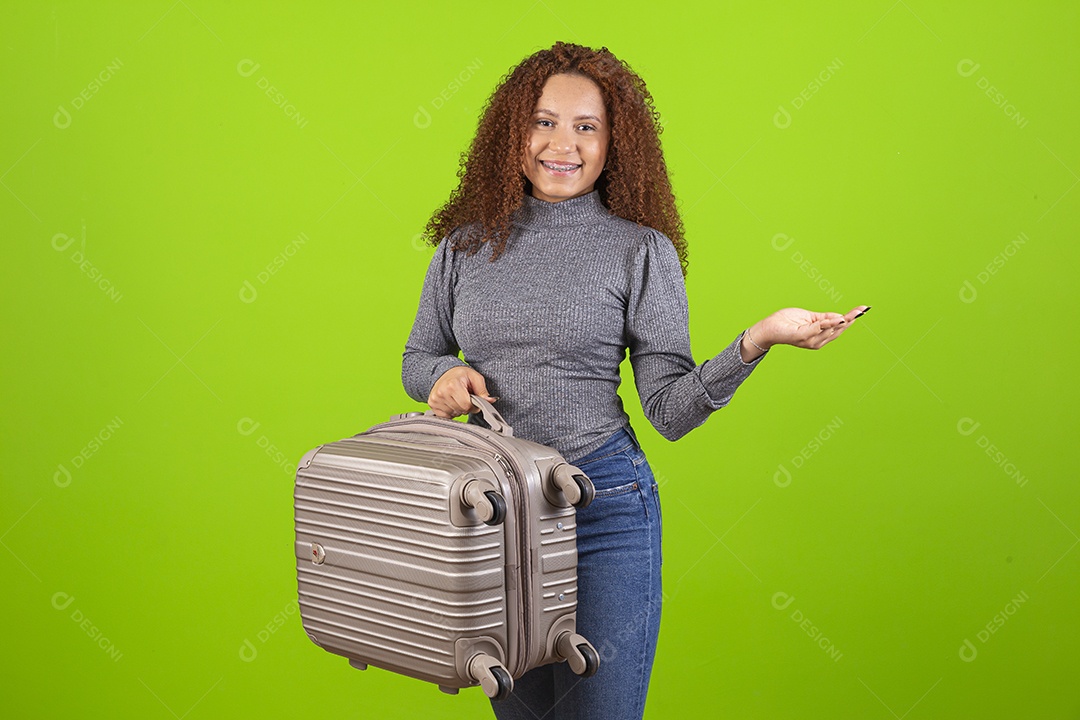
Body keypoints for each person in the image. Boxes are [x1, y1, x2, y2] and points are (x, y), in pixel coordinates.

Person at [401, 41, 868, 720]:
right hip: (499, 517)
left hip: (604, 509)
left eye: (586, 127)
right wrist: (443, 375)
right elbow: (419, 357)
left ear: (615, 143)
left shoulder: (639, 251)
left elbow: (671, 412)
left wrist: (757, 339)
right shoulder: (465, 246)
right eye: (544, 121)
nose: (563, 143)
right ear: (513, 133)